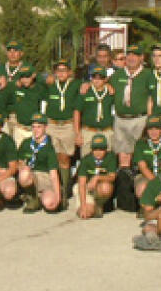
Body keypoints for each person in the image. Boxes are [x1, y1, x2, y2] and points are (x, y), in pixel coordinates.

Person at [109, 44, 153, 183]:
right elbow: (103, 84)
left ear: (141, 58)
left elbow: (152, 97)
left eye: (135, 55)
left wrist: (150, 120)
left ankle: (138, 186)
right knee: (123, 157)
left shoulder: (148, 75)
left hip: (139, 119)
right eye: (129, 55)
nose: (132, 58)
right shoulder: (117, 75)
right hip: (121, 120)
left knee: (138, 155)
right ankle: (124, 190)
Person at [44, 60, 80, 201]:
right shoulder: (50, 85)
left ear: (70, 72)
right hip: (52, 124)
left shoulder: (75, 85)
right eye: (58, 70)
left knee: (65, 157)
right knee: (55, 156)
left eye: (64, 70)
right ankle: (58, 186)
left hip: (67, 125)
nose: (61, 73)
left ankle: (66, 188)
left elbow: (88, 84)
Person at [16, 113, 63, 213]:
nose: (35, 130)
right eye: (33, 127)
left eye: (39, 127)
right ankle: (33, 199)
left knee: (50, 204)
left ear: (45, 127)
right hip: (31, 176)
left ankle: (43, 196)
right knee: (24, 173)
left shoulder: (49, 146)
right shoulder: (26, 143)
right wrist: (22, 166)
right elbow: (19, 161)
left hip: (45, 178)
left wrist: (58, 197)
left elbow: (54, 174)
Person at [75, 133, 117, 219]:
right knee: (85, 214)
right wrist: (83, 206)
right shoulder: (86, 160)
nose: (98, 152)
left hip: (99, 188)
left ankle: (98, 205)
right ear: (91, 149)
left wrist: (97, 178)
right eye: (95, 149)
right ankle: (91, 208)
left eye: (101, 149)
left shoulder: (111, 157)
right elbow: (81, 183)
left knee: (106, 187)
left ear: (106, 149)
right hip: (86, 188)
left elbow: (112, 177)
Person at [77, 66, 114, 158]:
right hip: (88, 131)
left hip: (106, 131)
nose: (97, 80)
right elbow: (77, 112)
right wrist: (78, 133)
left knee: (106, 161)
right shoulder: (85, 92)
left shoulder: (111, 93)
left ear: (105, 79)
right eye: (94, 77)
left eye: (100, 78)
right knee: (86, 159)